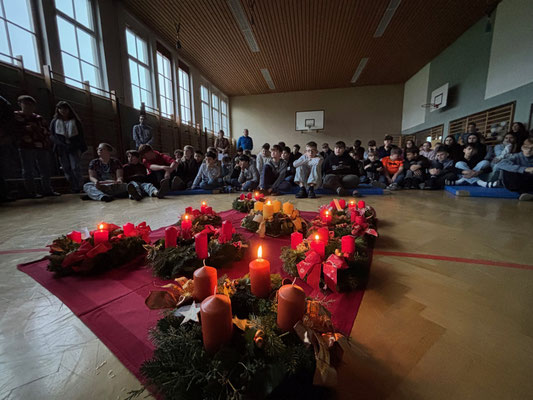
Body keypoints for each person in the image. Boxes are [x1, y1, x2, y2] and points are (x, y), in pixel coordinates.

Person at [13, 95, 59, 198]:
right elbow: (14, 131)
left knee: (45, 169)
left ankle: (47, 190)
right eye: (26, 104)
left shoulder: (38, 118)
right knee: (28, 170)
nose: (29, 106)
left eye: (31, 105)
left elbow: (46, 131)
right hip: (25, 146)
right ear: (20, 104)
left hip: (41, 146)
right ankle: (31, 192)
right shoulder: (16, 116)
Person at [49, 101, 87, 193]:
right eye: (60, 109)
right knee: (66, 168)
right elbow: (52, 135)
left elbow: (81, 136)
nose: (63, 111)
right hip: (61, 148)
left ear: (69, 109)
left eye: (65, 109)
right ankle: (73, 186)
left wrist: (79, 146)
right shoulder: (54, 122)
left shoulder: (75, 121)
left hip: (74, 147)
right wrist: (60, 144)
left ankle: (80, 186)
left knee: (75, 167)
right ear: (58, 110)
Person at [0, 95, 16, 202]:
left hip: (3, 138)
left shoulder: (3, 103)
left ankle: (3, 194)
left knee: (3, 167)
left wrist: (6, 134)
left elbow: (9, 116)